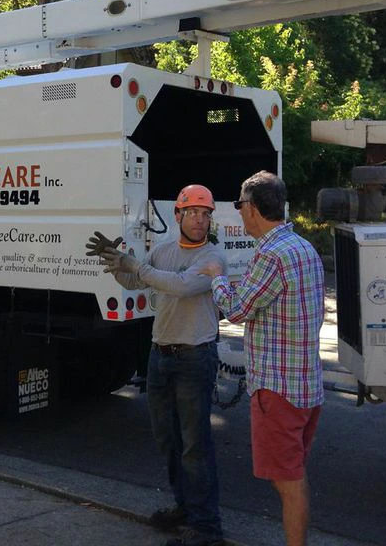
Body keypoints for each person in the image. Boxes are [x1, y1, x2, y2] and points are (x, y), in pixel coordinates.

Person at [87, 185, 226, 546]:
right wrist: (117, 263)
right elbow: (136, 280)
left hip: (196, 357)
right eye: (193, 212)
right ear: (178, 216)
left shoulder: (212, 258)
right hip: (160, 355)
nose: (200, 219)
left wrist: (138, 266)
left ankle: (207, 527)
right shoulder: (163, 251)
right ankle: (185, 508)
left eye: (206, 213)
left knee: (195, 444)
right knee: (168, 438)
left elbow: (180, 286)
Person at [199, 171, 324, 546]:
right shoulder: (303, 248)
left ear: (252, 208)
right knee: (293, 474)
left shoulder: (270, 255)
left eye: (239, 205)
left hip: (278, 389)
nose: (238, 213)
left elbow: (237, 310)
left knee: (287, 480)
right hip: (306, 386)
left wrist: (216, 277)